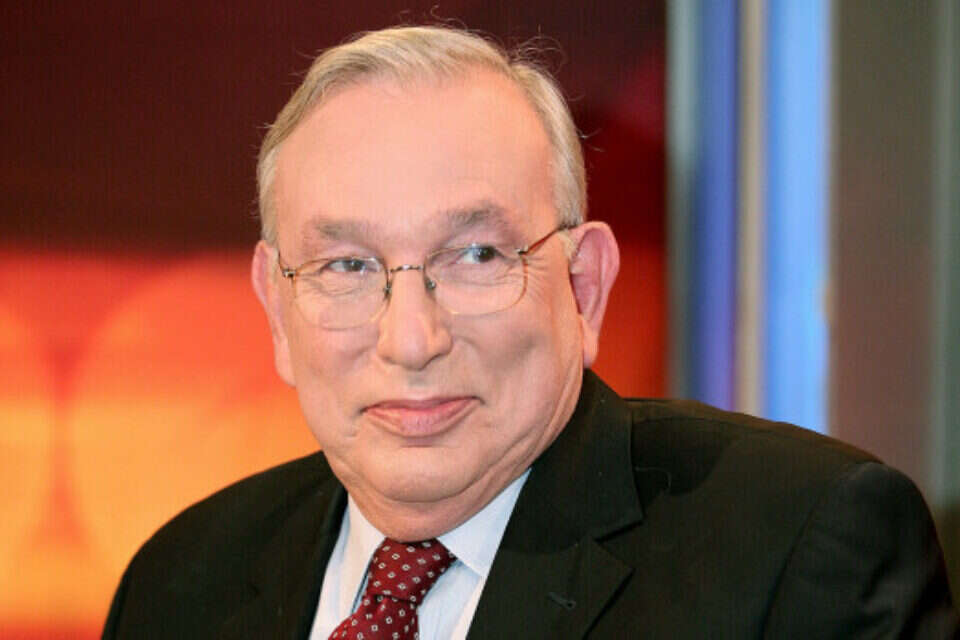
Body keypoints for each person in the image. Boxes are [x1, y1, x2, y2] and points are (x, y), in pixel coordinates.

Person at [102, 25, 958, 639]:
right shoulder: (180, 584)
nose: (411, 340)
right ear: (275, 309)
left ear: (584, 288)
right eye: (347, 266)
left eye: (475, 255)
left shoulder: (802, 553)